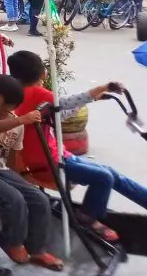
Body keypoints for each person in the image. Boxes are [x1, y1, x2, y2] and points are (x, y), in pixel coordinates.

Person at [9, 51, 147, 242]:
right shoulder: (36, 93)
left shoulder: (18, 95)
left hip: (52, 157)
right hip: (49, 163)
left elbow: (61, 113)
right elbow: (66, 105)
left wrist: (97, 95)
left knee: (111, 174)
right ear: (43, 74)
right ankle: (88, 218)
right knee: (105, 177)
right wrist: (101, 88)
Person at [0, 74, 62, 270]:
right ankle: (12, 241)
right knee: (14, 199)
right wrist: (24, 119)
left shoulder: (17, 124)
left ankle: (37, 249)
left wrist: (20, 177)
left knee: (39, 198)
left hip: (1, 170)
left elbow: (13, 157)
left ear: (9, 107)